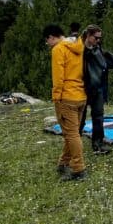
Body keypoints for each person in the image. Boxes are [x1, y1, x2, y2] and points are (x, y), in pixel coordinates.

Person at [43, 24, 87, 181]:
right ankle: (63, 163)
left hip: (66, 97)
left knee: (71, 134)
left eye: (47, 40)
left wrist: (56, 97)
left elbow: (58, 76)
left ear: (51, 37)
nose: (47, 44)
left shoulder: (58, 49)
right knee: (73, 132)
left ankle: (78, 169)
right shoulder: (78, 46)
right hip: (81, 95)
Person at [79, 25, 113, 154]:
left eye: (100, 38)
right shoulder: (79, 49)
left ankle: (98, 144)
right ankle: (75, 144)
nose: (98, 40)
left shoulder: (98, 48)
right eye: (96, 38)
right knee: (80, 117)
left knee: (98, 116)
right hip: (83, 87)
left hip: (97, 87)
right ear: (88, 35)